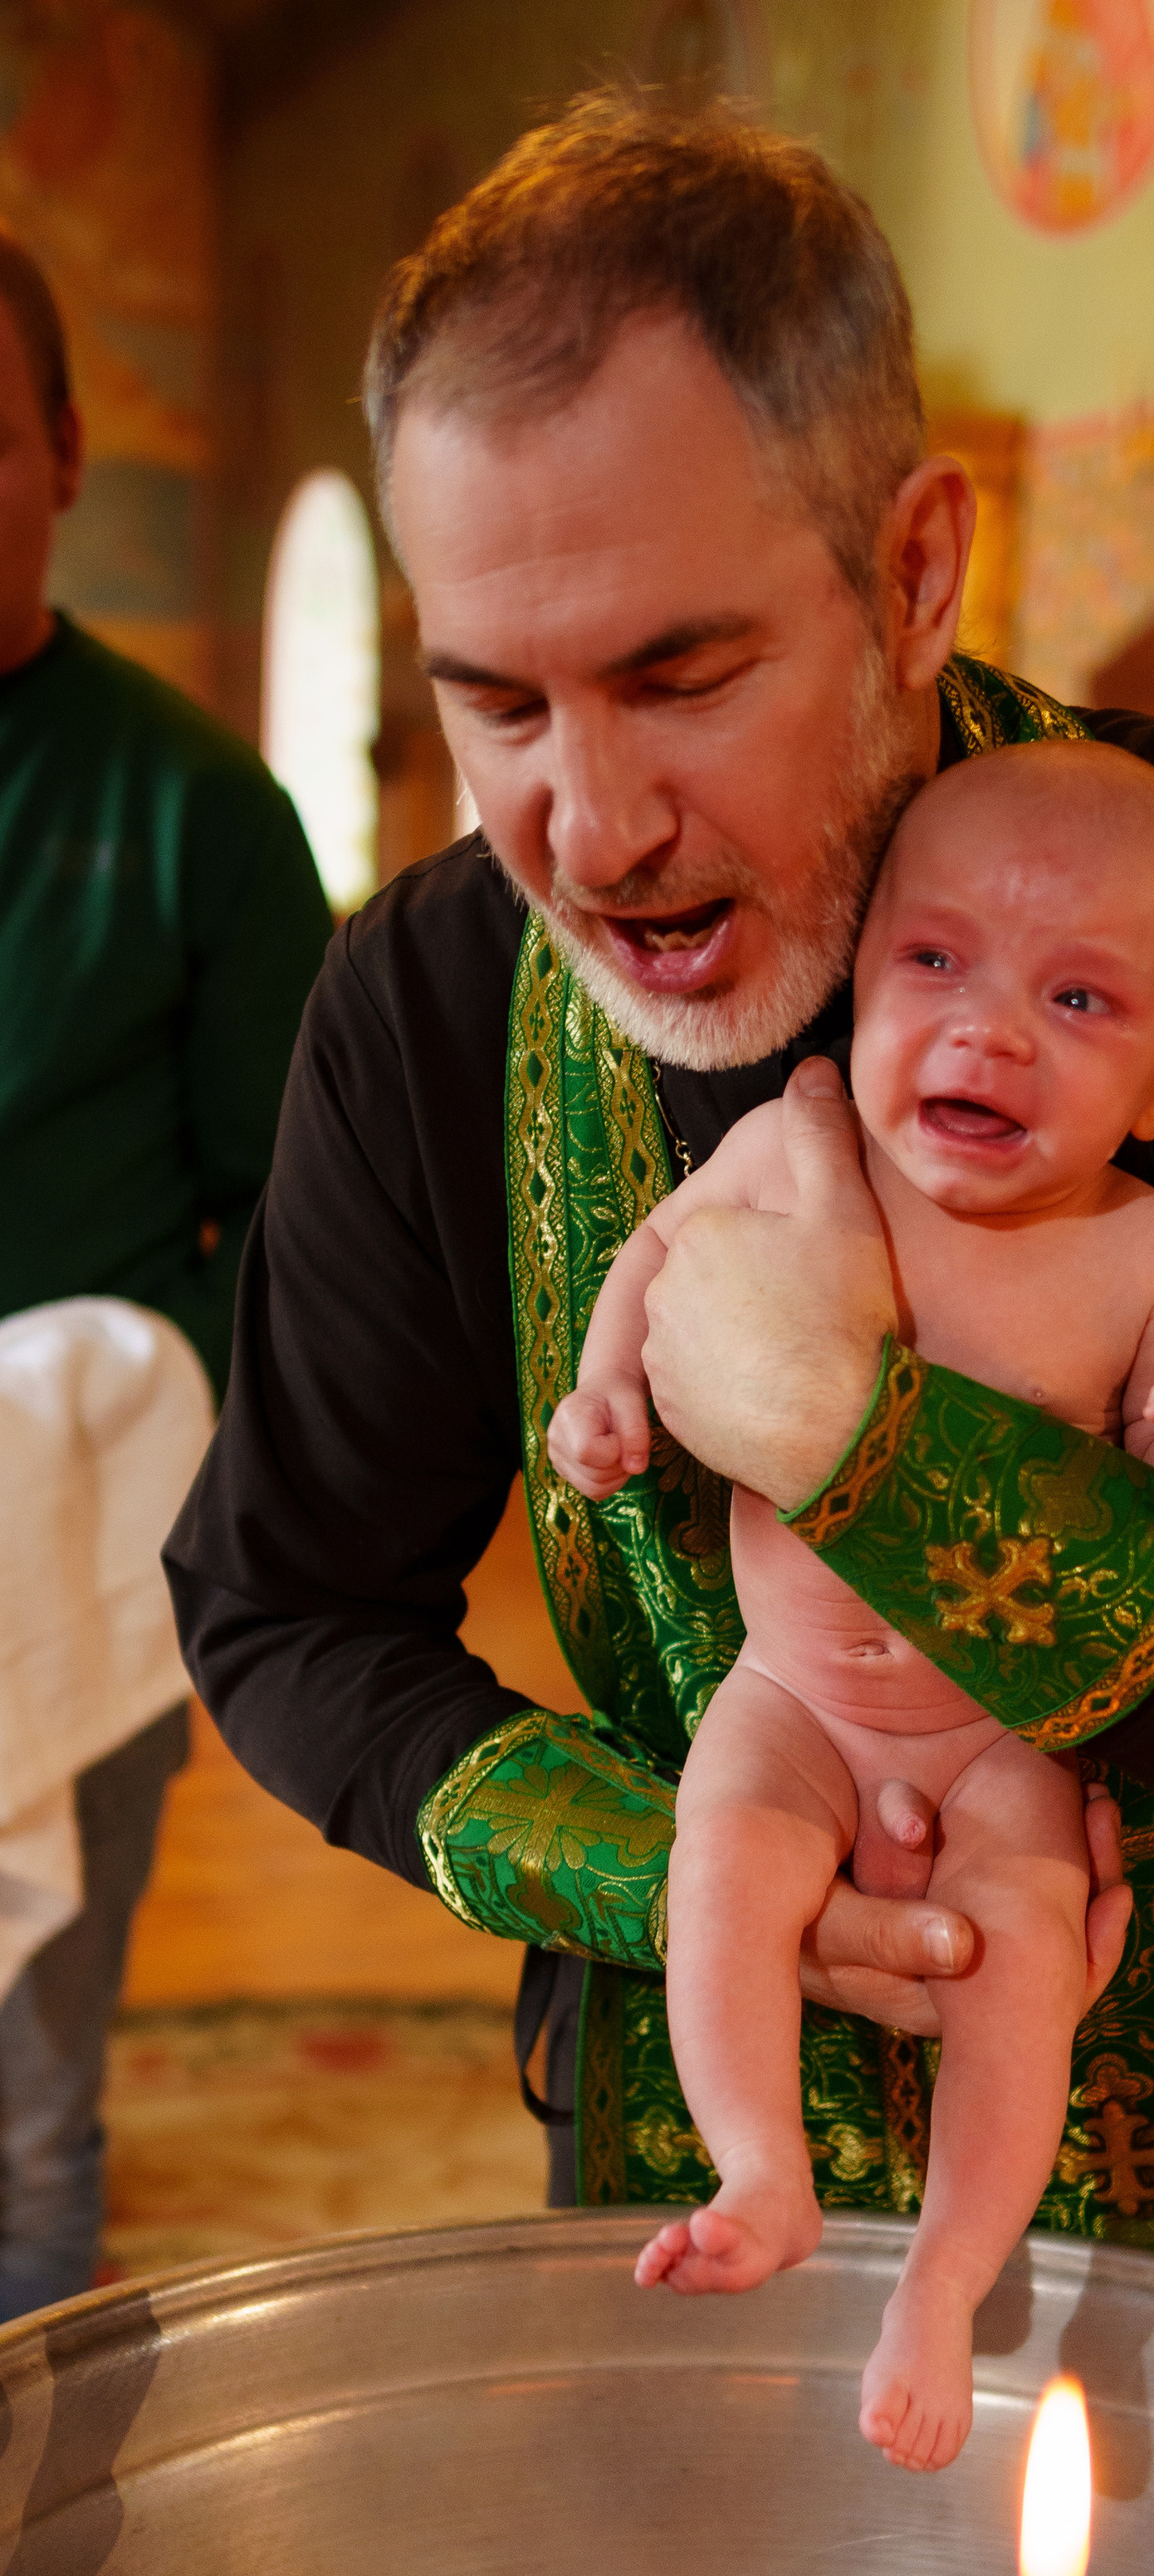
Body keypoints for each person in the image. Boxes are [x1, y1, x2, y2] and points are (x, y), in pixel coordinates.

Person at [167, 95, 1154, 2324]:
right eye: (495, 704)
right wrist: (705, 1876)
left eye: (681, 675)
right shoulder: (431, 994)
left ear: (917, 571)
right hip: (679, 2154)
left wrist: (869, 1452)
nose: (591, 824)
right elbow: (280, 1617)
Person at [553, 742, 1154, 2469]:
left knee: (1020, 1951)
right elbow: (652, 1261)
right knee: (719, 1864)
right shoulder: (806, 1161)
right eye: (931, 963)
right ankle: (761, 2170)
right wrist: (604, 1397)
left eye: (1077, 998)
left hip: (993, 1730)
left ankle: (947, 2278)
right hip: (791, 1697)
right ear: (857, 970)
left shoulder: (1150, 1255)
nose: (986, 1030)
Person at [0, 228, 330, 2315]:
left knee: (21, 2090)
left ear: (59, 450)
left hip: (68, 1533)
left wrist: (105, 1424)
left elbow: (291, 1236)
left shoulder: (197, 807)